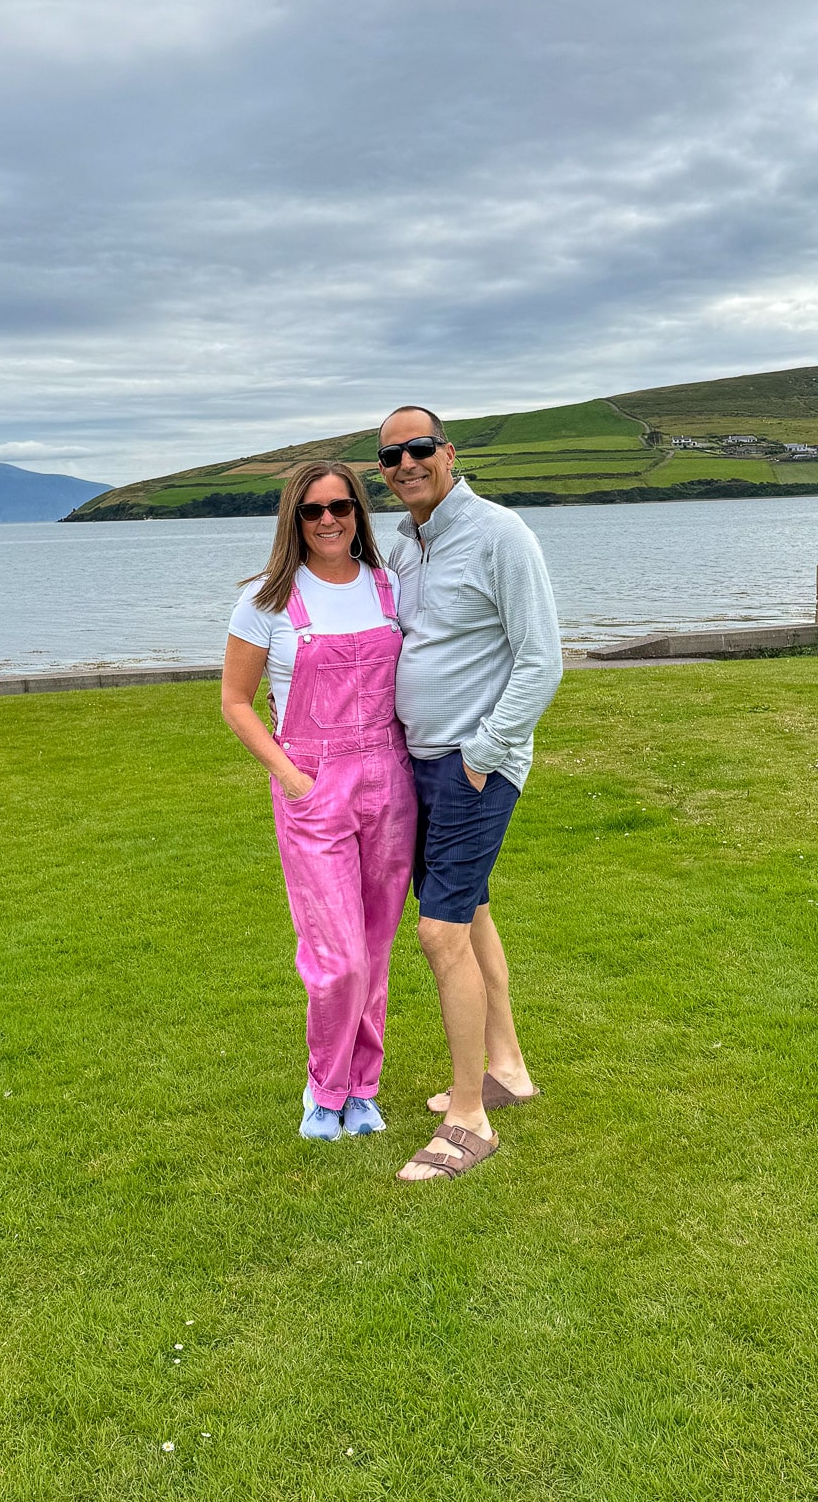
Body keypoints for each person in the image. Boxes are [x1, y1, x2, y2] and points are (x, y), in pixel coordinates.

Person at [379, 407, 563, 1182]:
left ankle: (469, 1118)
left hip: (470, 764)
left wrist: (484, 754)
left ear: (448, 454)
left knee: (439, 933)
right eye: (391, 455)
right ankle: (509, 1067)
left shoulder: (500, 534)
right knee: (474, 910)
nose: (407, 462)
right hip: (418, 761)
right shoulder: (404, 545)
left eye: (420, 448)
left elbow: (541, 657)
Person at [221, 461, 417, 1142]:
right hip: (314, 786)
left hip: (390, 783)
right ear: (293, 520)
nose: (328, 519)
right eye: (312, 510)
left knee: (377, 947)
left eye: (340, 505)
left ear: (359, 512)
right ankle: (322, 1087)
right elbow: (236, 703)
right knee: (339, 959)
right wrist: (293, 776)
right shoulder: (267, 601)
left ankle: (362, 1089)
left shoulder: (389, 587)